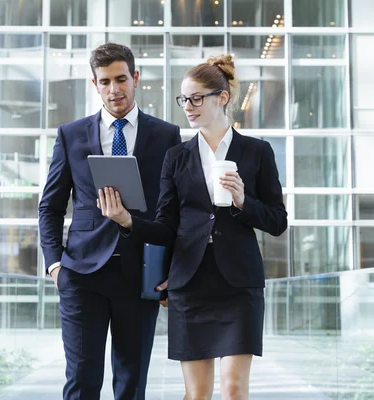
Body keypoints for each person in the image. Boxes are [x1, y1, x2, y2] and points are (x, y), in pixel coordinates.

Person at [98, 54, 287, 399]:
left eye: (197, 98)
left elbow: (278, 222)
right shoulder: (177, 156)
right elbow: (166, 226)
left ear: (223, 98)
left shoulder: (257, 152)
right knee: (197, 394)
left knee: (233, 390)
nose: (188, 106)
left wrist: (244, 202)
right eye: (184, 99)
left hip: (239, 286)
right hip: (191, 284)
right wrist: (127, 221)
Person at [39, 42, 181, 400]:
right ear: (95, 84)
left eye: (121, 79)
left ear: (135, 78)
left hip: (140, 274)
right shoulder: (71, 134)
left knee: (131, 383)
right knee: (82, 381)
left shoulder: (166, 135)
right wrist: (55, 265)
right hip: (81, 273)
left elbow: (174, 211)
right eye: (105, 82)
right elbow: (50, 206)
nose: (114, 89)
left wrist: (170, 272)